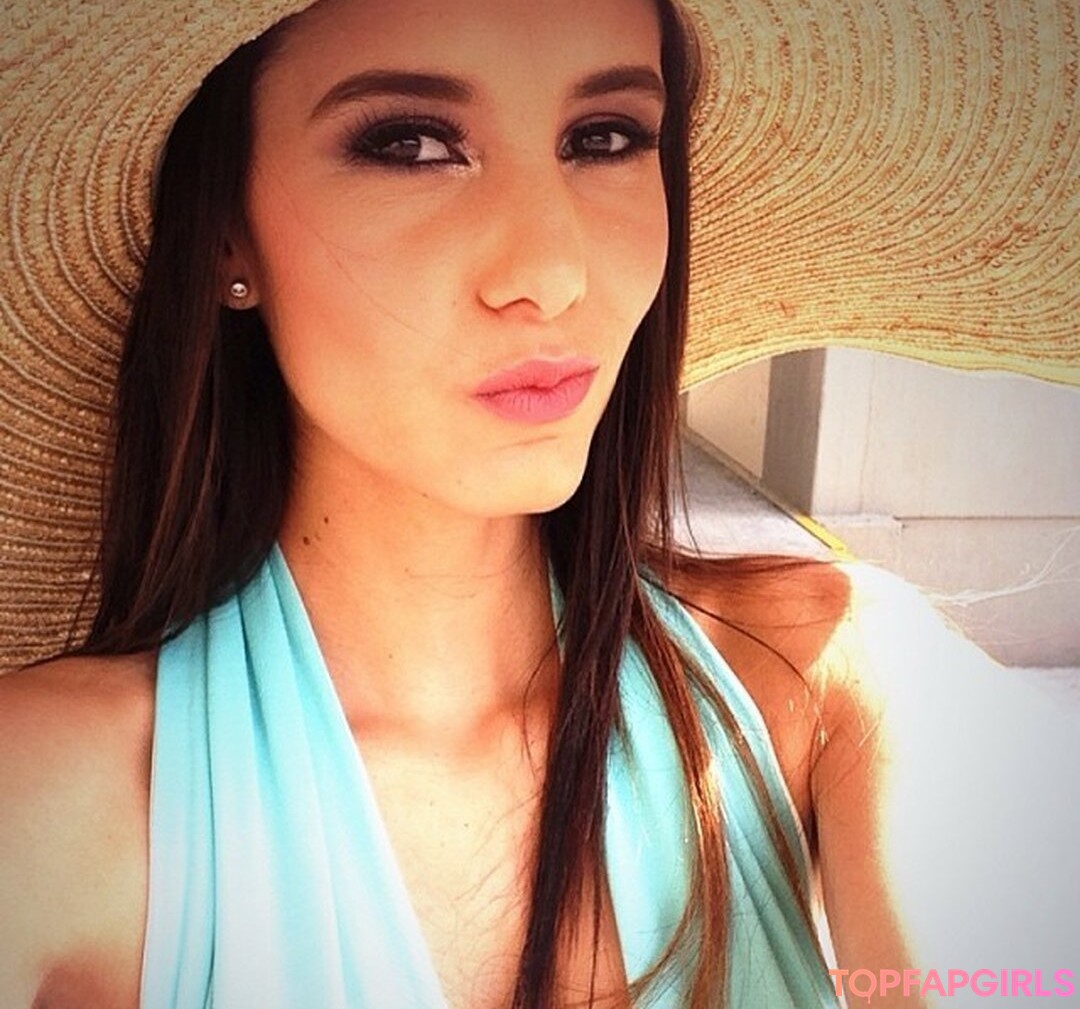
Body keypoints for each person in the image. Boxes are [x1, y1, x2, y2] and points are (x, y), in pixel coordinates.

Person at [0, 0, 1076, 1007]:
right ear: (227, 234)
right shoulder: (53, 796)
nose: (552, 271)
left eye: (606, 137)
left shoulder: (836, 682)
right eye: (412, 143)